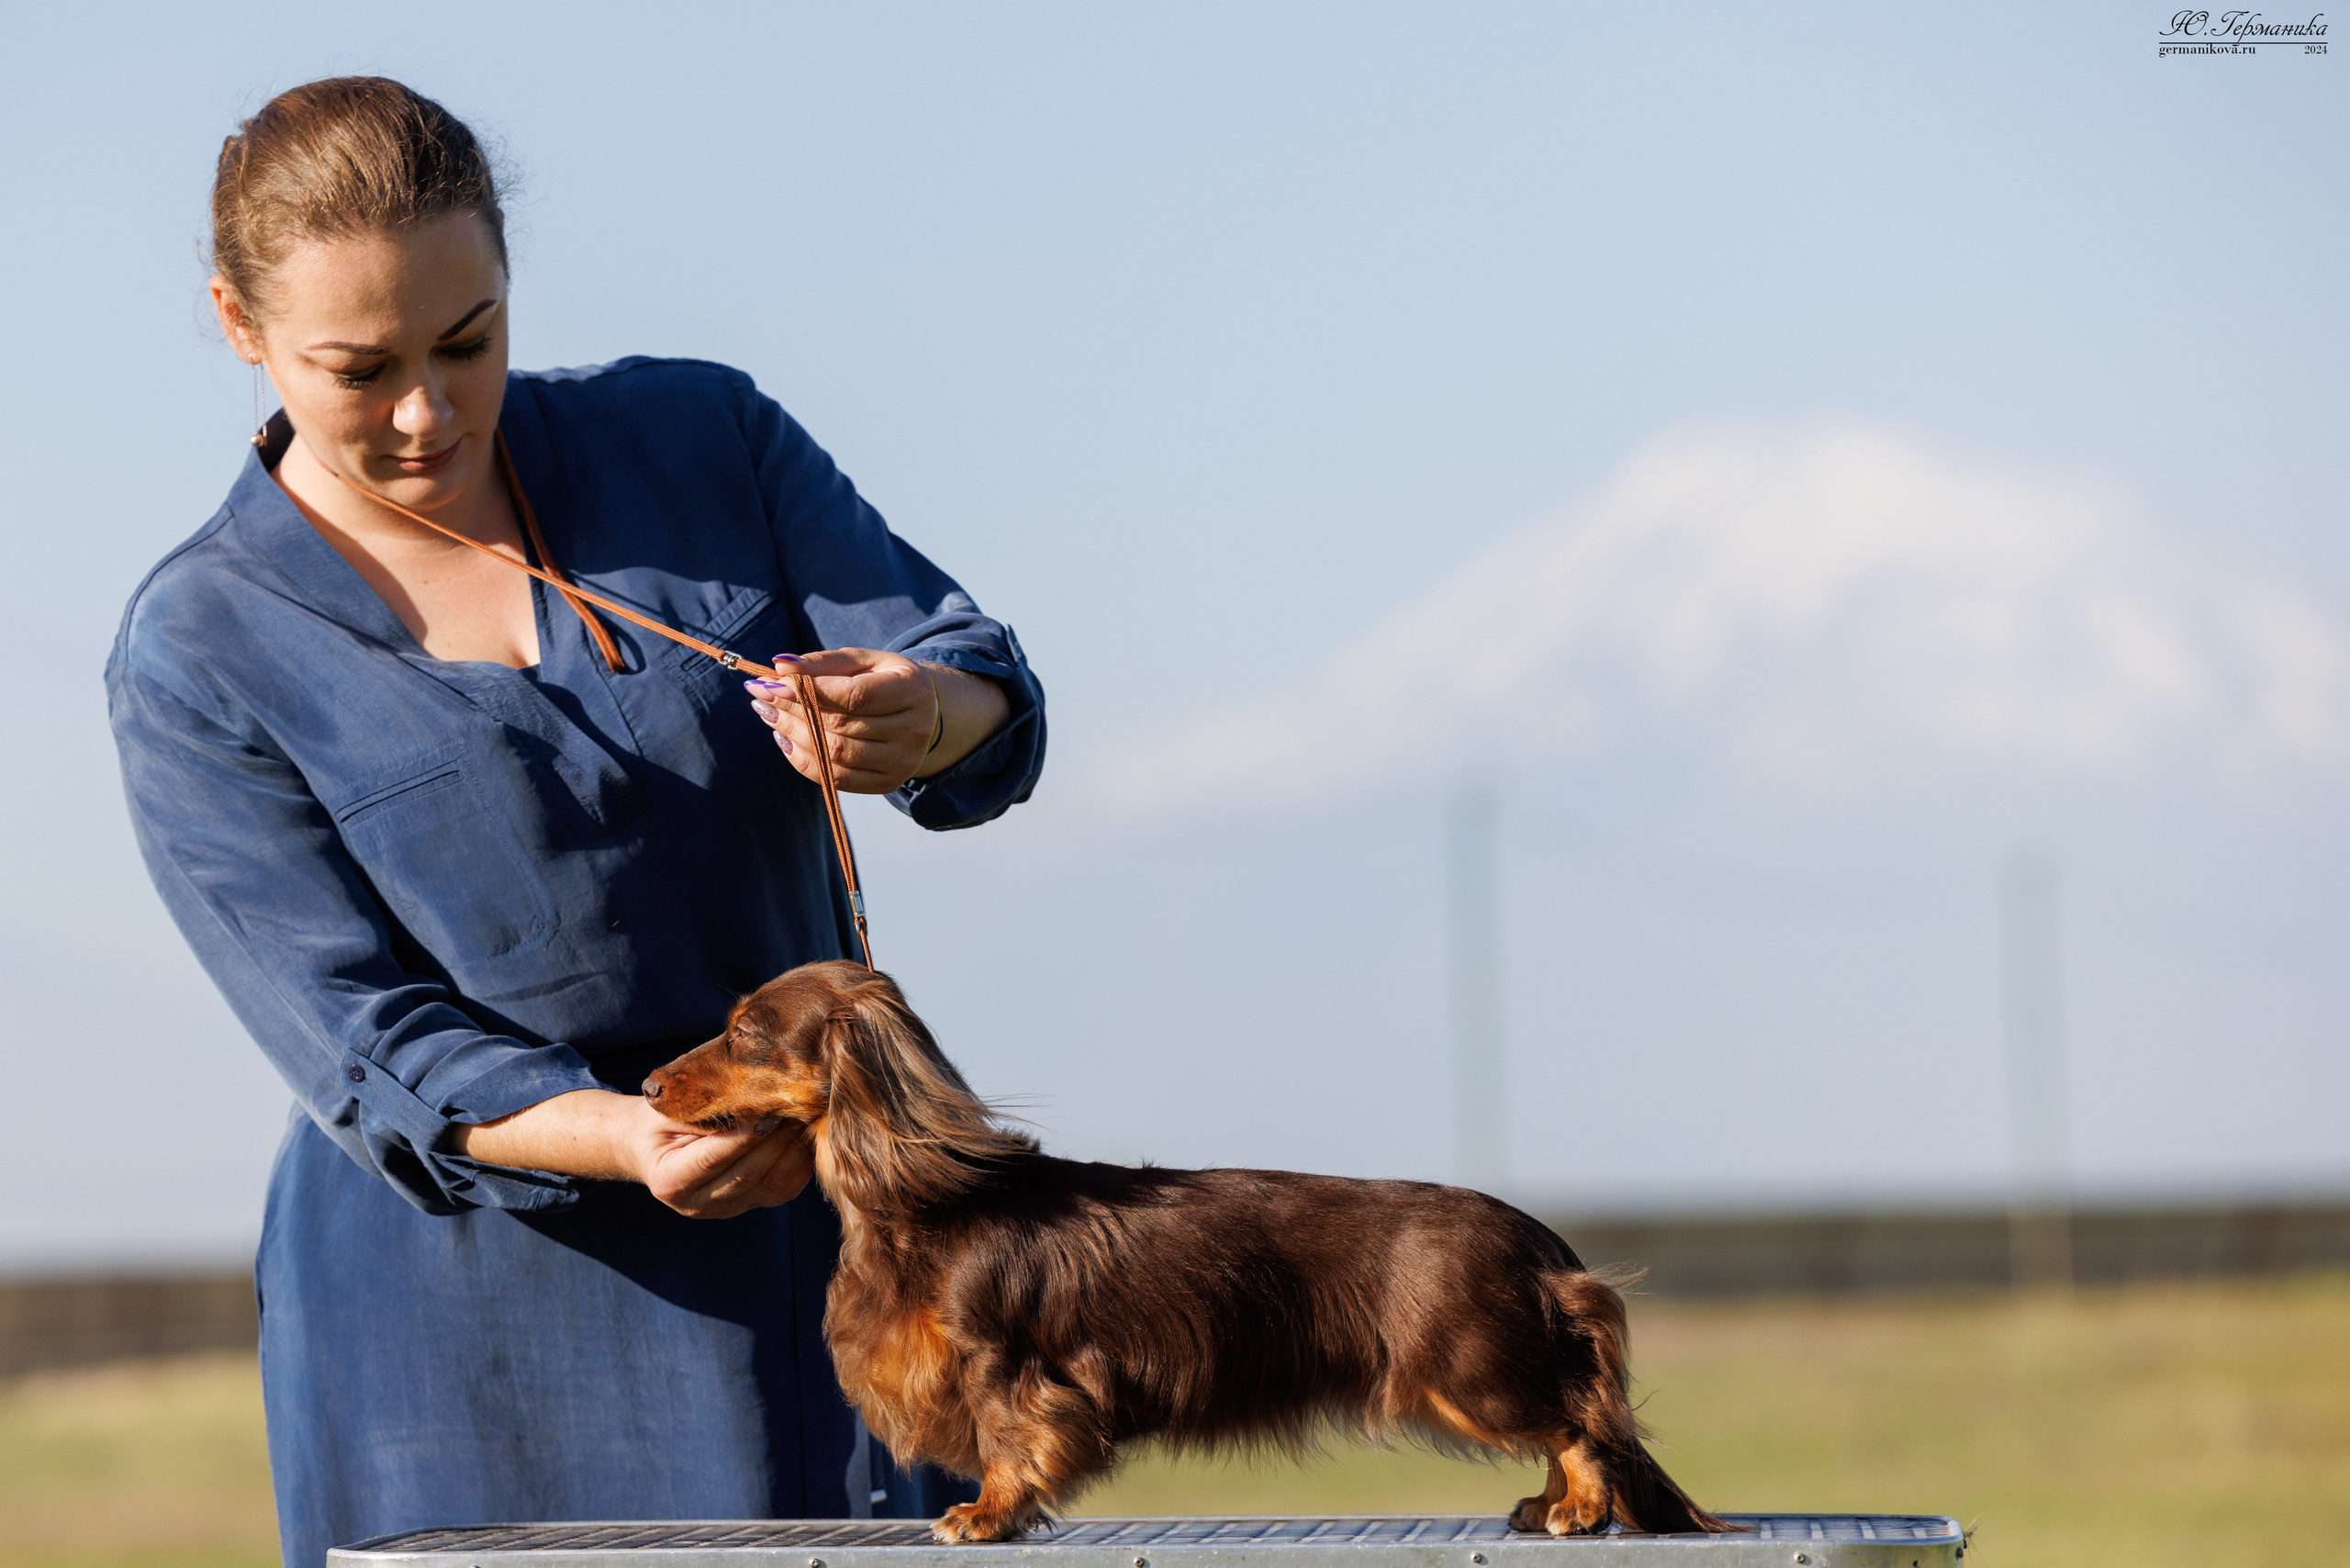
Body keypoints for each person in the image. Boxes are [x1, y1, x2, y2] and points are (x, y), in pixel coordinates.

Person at [105, 77, 1045, 1566]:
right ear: (238, 326)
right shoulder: (195, 652)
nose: (427, 411)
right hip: (460, 1322)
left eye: (467, 340)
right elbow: (369, 1045)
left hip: (830, 1239)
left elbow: (977, 673)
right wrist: (634, 1137)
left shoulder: (706, 434)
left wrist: (921, 716)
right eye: (360, 370)